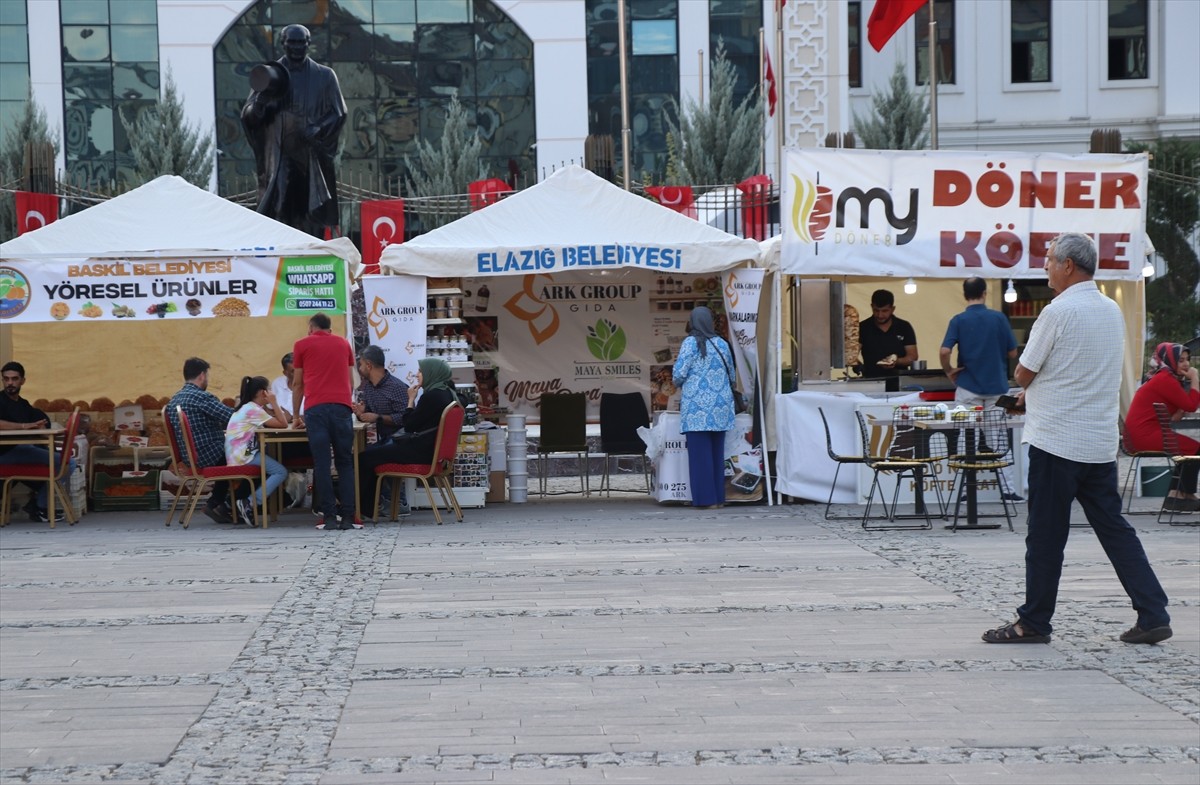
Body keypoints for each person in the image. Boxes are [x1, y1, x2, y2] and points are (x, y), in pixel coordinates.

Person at [982, 233, 1172, 646]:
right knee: (1115, 530)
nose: (1046, 267)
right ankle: (1153, 611)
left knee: (1046, 537)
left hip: (1056, 442)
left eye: (1050, 260)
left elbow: (1024, 373)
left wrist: (1028, 391)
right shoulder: (1111, 310)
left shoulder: (1057, 311)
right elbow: (1079, 372)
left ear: (1068, 265)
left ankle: (1033, 621)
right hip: (1098, 442)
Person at [240, 23, 346, 236]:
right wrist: (260, 102)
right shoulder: (269, 75)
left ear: (308, 44)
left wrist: (318, 128)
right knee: (278, 207)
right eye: (292, 42)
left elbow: (339, 112)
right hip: (280, 155)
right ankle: (281, 251)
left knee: (310, 210)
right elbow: (248, 116)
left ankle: (312, 252)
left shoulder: (324, 76)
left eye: (301, 42)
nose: (297, 47)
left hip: (309, 154)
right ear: (283, 43)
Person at [940, 276, 1022, 501]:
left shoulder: (958, 320)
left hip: (967, 388)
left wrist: (949, 371)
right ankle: (1008, 489)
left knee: (968, 439)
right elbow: (1013, 353)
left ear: (965, 295)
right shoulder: (999, 318)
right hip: (997, 388)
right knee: (998, 440)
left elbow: (945, 351)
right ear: (985, 293)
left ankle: (967, 490)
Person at [357, 357, 459, 518]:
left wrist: (411, 399)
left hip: (420, 452)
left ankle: (362, 508)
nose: (417, 375)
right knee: (373, 452)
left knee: (364, 457)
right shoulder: (449, 394)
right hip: (430, 451)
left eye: (421, 371)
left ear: (431, 373)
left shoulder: (432, 397)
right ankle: (369, 506)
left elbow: (409, 424)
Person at [292, 313, 357, 531]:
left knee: (321, 464)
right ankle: (348, 517)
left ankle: (328, 517)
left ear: (311, 327)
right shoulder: (344, 344)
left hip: (316, 409)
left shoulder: (301, 345)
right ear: (329, 328)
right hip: (341, 407)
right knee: (345, 462)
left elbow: (298, 384)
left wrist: (295, 416)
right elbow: (351, 381)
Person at [671, 306, 737, 510]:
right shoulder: (722, 344)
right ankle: (718, 498)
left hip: (697, 409)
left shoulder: (690, 343)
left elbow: (678, 375)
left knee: (700, 457)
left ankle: (706, 500)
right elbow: (732, 376)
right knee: (717, 455)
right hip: (721, 407)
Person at [1124, 342, 1200, 511]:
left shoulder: (1164, 377)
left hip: (1141, 433)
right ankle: (1178, 495)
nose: (1187, 364)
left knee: (1191, 449)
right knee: (1194, 449)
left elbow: (1179, 411)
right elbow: (1191, 405)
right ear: (1170, 360)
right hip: (1143, 435)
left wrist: (1182, 406)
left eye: (1187, 360)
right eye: (1180, 360)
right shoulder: (1165, 379)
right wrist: (1195, 378)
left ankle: (1181, 495)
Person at [0, 361, 74, 523]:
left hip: (21, 450)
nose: (10, 383)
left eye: (14, 379)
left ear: (22, 381)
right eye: (6, 379)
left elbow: (35, 419)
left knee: (64, 463)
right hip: (6, 454)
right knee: (65, 463)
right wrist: (23, 426)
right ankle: (40, 507)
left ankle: (38, 505)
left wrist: (40, 424)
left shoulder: (23, 404)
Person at [166, 358, 235, 524]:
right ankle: (233, 504)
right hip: (209, 454)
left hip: (191, 457)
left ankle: (217, 502)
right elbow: (233, 418)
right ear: (202, 375)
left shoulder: (174, 400)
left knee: (234, 452)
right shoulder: (201, 397)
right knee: (252, 453)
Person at [224, 376, 291, 525]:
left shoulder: (250, 408)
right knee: (280, 471)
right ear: (263, 393)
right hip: (243, 455)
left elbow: (281, 419)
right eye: (270, 390)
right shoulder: (253, 410)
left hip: (240, 452)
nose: (272, 392)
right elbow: (283, 424)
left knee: (271, 460)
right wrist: (274, 402)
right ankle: (250, 502)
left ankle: (251, 502)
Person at [352, 345, 410, 443]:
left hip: (402, 439)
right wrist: (360, 413)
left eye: (361, 365)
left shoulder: (397, 387)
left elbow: (406, 418)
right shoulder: (368, 387)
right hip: (385, 440)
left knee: (362, 457)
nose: (360, 369)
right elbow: (369, 414)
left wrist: (378, 418)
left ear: (369, 365)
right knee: (360, 456)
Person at [858, 289, 918, 378]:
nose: (880, 315)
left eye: (884, 311)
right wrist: (859, 366)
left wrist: (896, 361)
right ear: (871, 306)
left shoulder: (904, 326)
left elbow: (912, 357)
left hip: (900, 380)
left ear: (892, 309)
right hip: (871, 380)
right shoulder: (862, 327)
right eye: (876, 310)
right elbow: (852, 354)